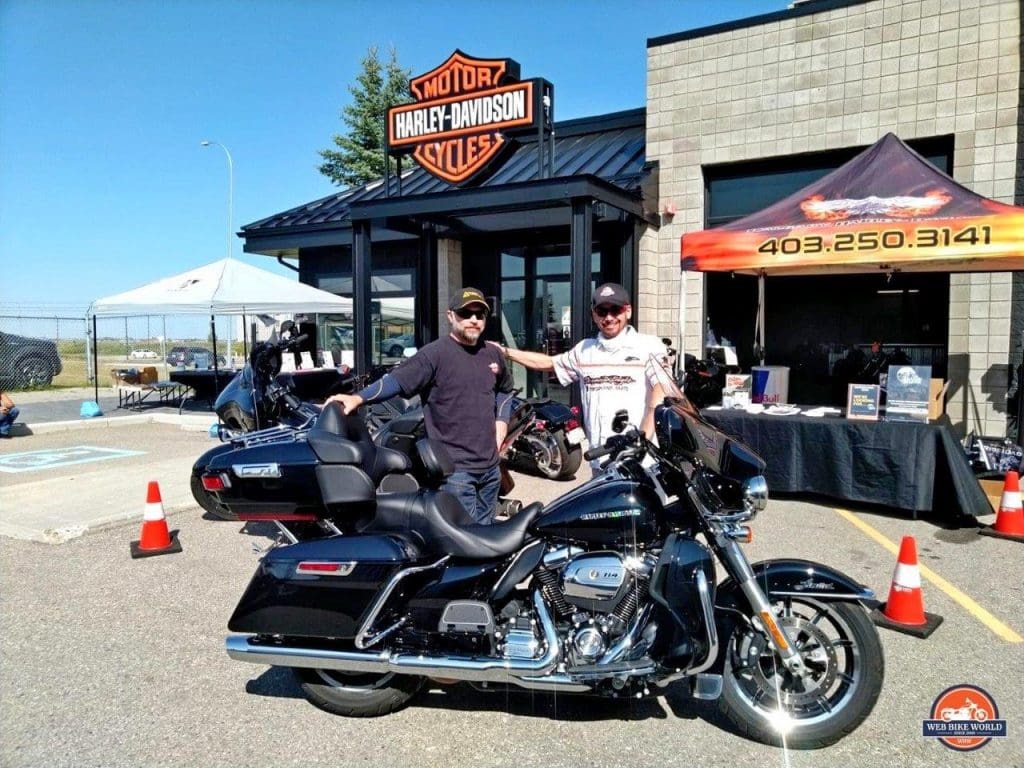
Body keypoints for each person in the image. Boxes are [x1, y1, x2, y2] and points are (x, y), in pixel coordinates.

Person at [326, 287, 514, 524]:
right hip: (456, 473)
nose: (473, 320)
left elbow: (506, 390)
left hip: (490, 468)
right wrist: (358, 398)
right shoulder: (434, 355)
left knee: (488, 535)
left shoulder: (492, 354)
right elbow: (395, 381)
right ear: (451, 316)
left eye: (480, 315)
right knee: (468, 542)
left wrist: (501, 423)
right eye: (466, 314)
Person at [496, 282, 667, 475]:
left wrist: (641, 439)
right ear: (594, 315)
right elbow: (549, 363)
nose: (609, 317)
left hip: (640, 461)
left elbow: (659, 393)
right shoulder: (585, 350)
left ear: (628, 311)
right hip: (601, 460)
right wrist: (506, 352)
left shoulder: (650, 346)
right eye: (602, 311)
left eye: (615, 310)